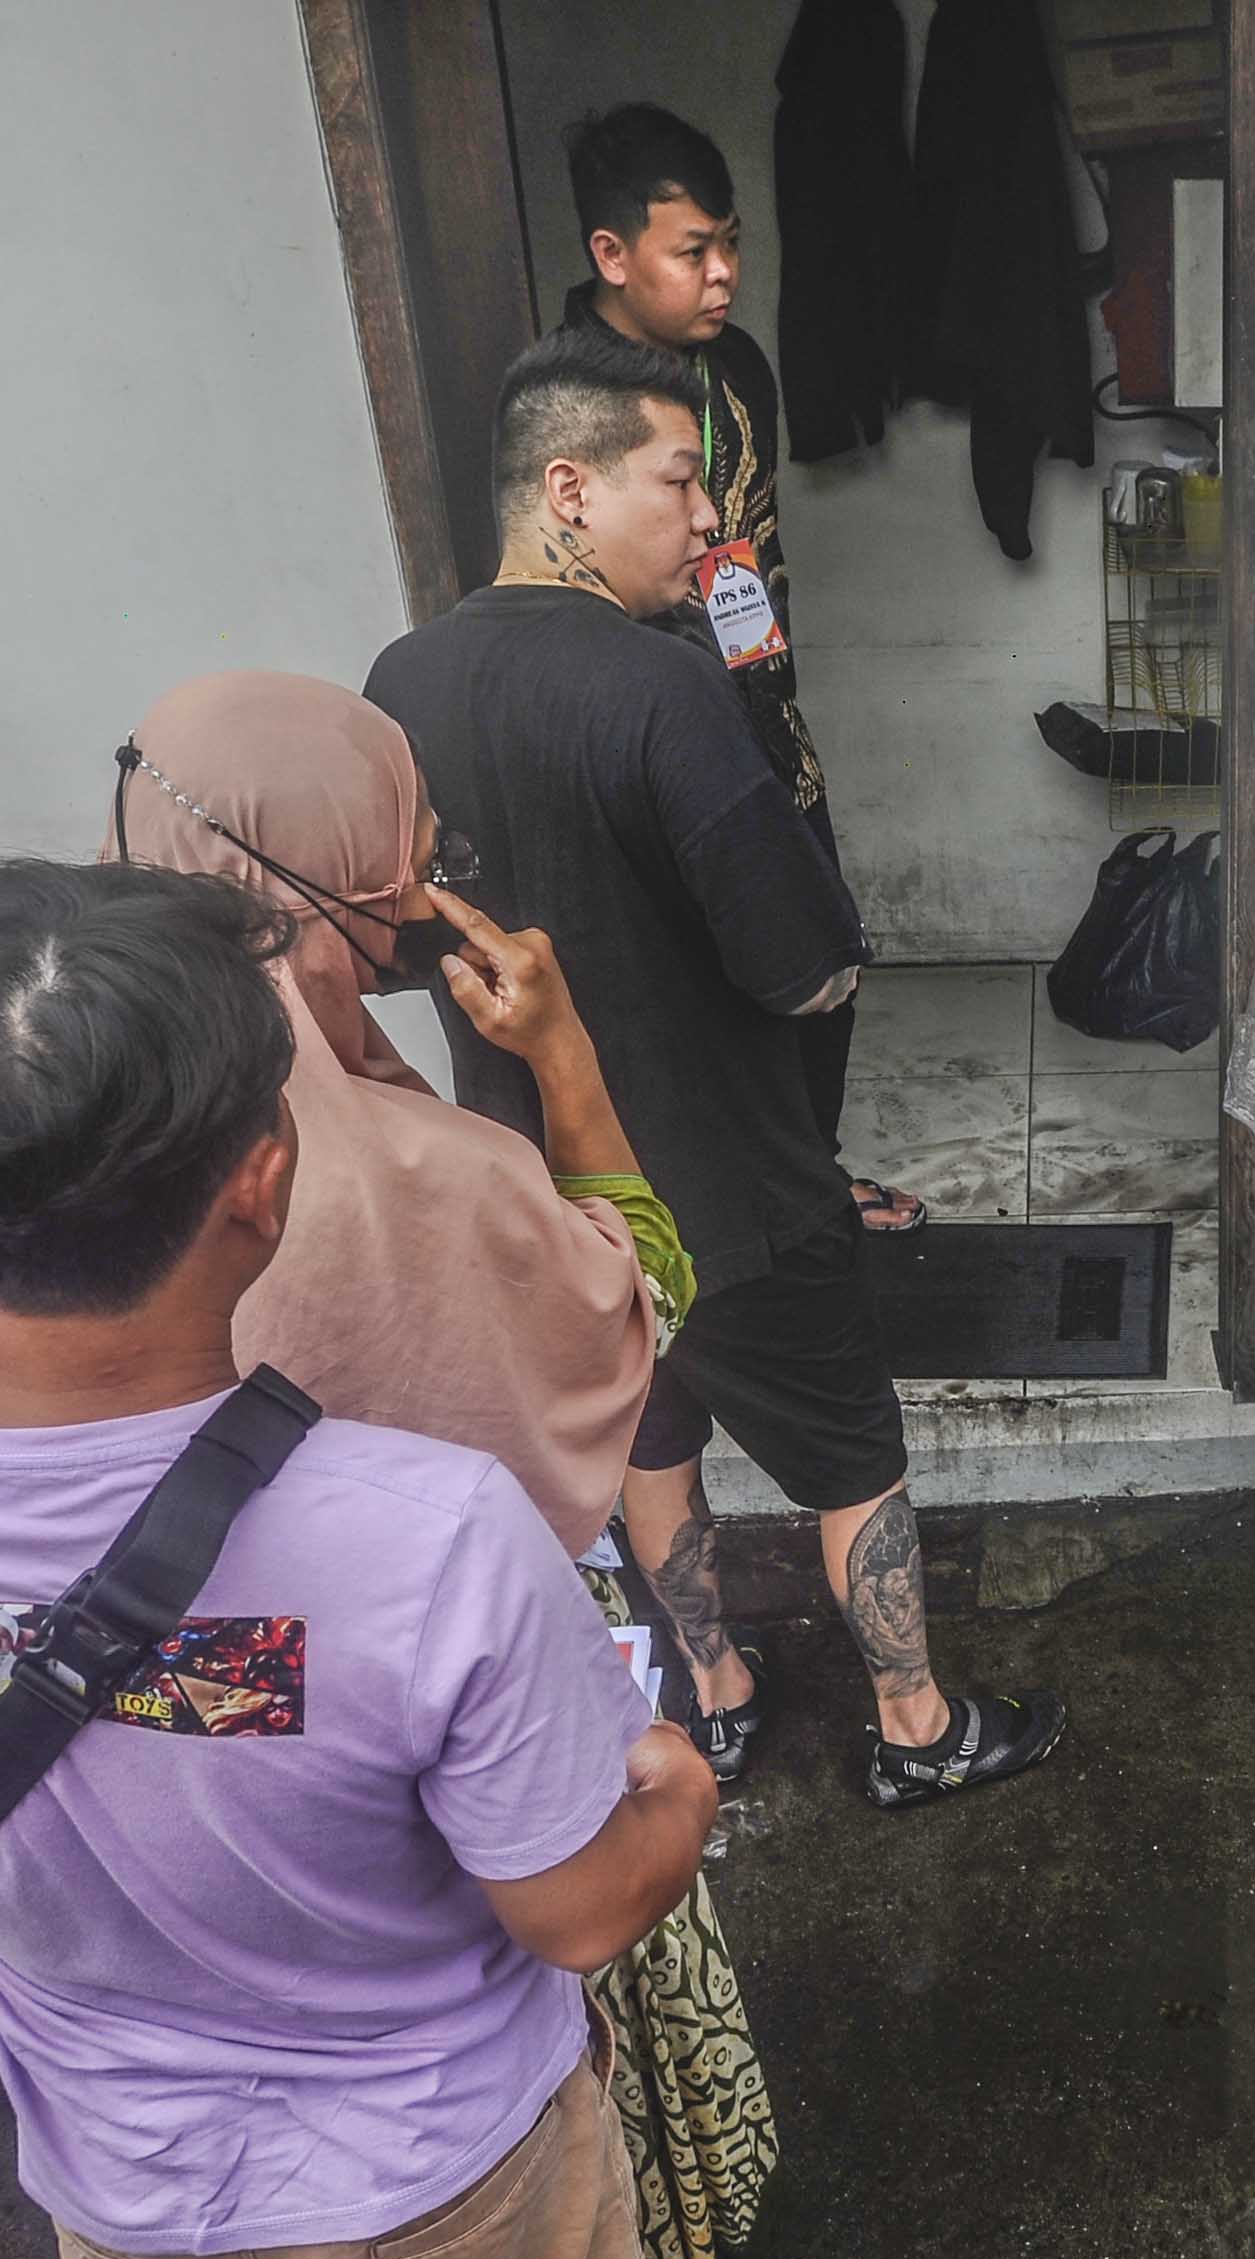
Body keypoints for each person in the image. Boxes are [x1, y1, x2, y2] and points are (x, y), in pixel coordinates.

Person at [0, 858, 713, 2259]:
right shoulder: (424, 1532)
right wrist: (674, 1788)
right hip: (451, 2188)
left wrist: (18, 2019)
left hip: (126, 2202)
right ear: (262, 1169)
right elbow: (578, 1905)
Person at [108, 672, 776, 2259]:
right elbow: (643, 1293)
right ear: (329, 874)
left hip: (186, 1855)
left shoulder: (80, 1126)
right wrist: (562, 1058)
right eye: (395, 859)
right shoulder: (416, 1173)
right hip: (460, 1916)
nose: (413, 893)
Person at [365, 330, 1065, 1810]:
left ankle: (717, 1693)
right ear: (569, 489)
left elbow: (397, 934)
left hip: (544, 1190)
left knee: (644, 1423)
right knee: (846, 1446)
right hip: (729, 1184)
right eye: (678, 482)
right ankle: (915, 1724)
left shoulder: (400, 681)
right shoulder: (659, 685)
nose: (705, 520)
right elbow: (801, 963)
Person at [557, 101, 919, 1239]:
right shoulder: (562, 398)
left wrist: (768, 698)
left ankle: (806, 1180)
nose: (724, 274)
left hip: (761, 713)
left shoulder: (736, 368)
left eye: (732, 244)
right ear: (611, 255)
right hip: (640, 739)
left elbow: (748, 553)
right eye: (693, 252)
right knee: (687, 987)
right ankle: (717, 1210)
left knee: (819, 944)